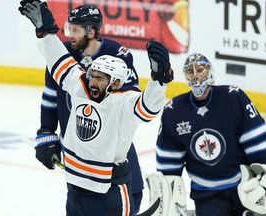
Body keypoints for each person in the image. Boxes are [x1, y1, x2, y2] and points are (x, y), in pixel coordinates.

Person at [18, 1, 174, 215]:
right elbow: (59, 62)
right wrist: (45, 32)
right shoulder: (80, 85)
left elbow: (148, 108)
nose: (92, 82)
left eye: (100, 78)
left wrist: (159, 81)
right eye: (92, 75)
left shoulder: (122, 103)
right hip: (75, 186)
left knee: (135, 195)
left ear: (116, 84)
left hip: (109, 191)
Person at [34, 4, 143, 212]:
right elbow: (50, 97)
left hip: (113, 146)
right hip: (79, 144)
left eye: (75, 30)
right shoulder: (63, 53)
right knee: (81, 203)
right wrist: (46, 133)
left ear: (91, 31)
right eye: (69, 29)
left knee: (134, 194)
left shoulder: (117, 55)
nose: (70, 35)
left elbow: (131, 102)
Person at [152, 53, 266, 216]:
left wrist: (263, 176)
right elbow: (168, 164)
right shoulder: (174, 111)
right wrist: (168, 192)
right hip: (207, 194)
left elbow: (258, 143)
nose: (195, 76)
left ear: (210, 72)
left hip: (245, 187)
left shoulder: (233, 98)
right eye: (190, 71)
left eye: (200, 70)